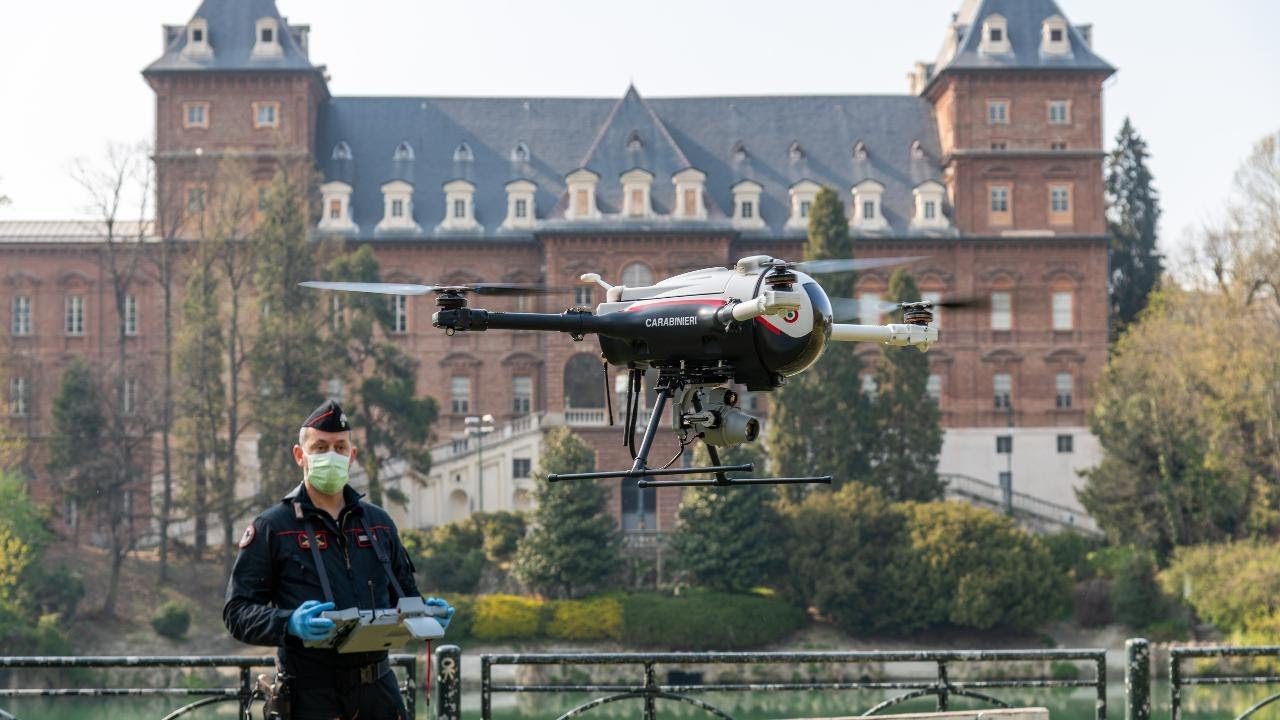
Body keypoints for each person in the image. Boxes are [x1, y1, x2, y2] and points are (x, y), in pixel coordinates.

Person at [224, 399, 453, 720]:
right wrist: (289, 622)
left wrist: (429, 613)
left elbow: (405, 597)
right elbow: (237, 613)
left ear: (352, 456)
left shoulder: (379, 523)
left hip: (379, 693)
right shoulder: (273, 527)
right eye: (320, 447)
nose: (330, 455)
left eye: (339, 447)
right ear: (299, 456)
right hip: (309, 696)